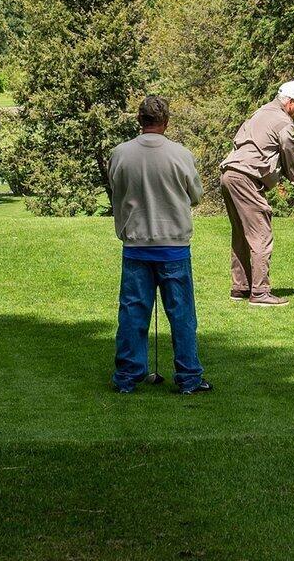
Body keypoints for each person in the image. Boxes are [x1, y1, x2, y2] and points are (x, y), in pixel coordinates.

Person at [107, 95, 211, 394]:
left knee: (132, 313)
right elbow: (196, 196)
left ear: (139, 120)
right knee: (181, 315)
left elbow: (117, 188)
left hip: (136, 243)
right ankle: (189, 377)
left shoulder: (121, 153)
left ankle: (127, 376)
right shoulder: (180, 154)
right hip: (173, 244)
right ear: (166, 121)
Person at [220, 80, 294, 307]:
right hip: (246, 178)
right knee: (261, 233)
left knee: (242, 233)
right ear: (290, 102)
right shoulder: (283, 123)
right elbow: (293, 160)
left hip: (229, 175)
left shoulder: (260, 112)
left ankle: (241, 287)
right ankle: (260, 292)